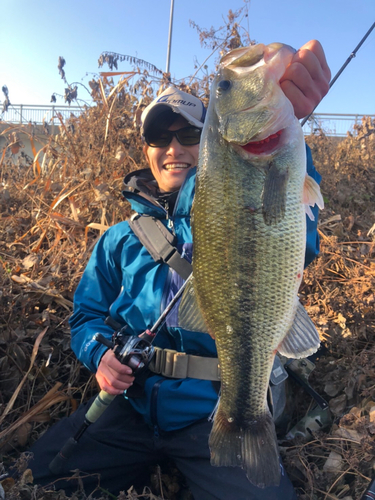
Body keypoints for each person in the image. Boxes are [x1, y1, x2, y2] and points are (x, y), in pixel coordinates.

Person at [28, 40, 330, 499]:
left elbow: (294, 235)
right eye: (159, 137)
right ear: (146, 148)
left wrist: (291, 131)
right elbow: (84, 316)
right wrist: (99, 357)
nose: (174, 149)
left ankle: (242, 427)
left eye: (189, 135)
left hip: (208, 410)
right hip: (131, 408)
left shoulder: (228, 202)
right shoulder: (117, 240)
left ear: (210, 140)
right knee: (43, 471)